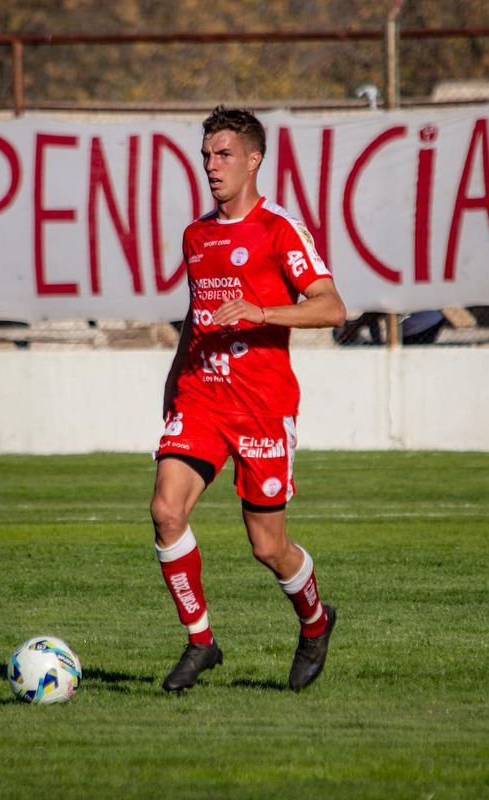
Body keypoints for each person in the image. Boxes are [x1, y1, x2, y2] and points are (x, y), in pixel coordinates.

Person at [151, 106, 347, 693]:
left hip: (262, 405)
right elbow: (194, 318)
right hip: (201, 398)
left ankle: (315, 622)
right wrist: (172, 385)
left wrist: (262, 312)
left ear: (254, 160)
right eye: (207, 155)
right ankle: (201, 641)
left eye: (225, 155)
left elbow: (332, 306)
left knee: (268, 545)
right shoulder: (197, 235)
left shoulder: (279, 228)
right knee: (166, 511)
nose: (212, 166)